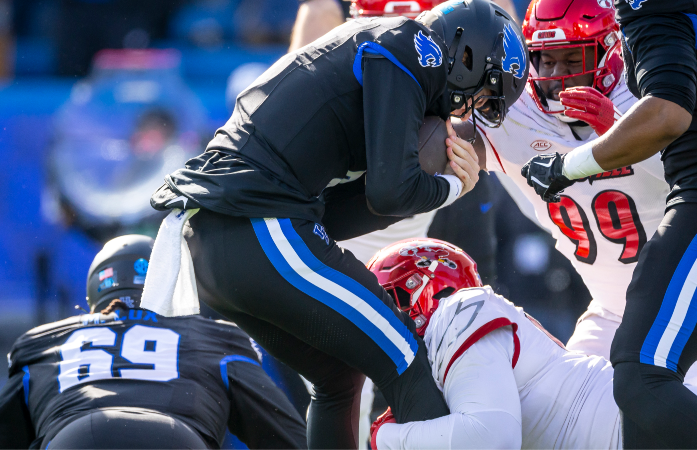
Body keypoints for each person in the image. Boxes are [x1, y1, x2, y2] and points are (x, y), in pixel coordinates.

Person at [141, 1, 529, 448]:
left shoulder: (379, 49)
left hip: (219, 235)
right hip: (255, 223)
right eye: (480, 93)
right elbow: (390, 192)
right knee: (403, 357)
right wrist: (452, 188)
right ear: (467, 56)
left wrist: (421, 182)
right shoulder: (410, 45)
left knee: (339, 378)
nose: (470, 108)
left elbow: (348, 210)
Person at [461, 0, 697, 446]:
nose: (557, 72)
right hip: (614, 304)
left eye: (573, 57)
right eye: (546, 58)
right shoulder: (513, 109)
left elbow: (692, 154)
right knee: (571, 430)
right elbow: (445, 150)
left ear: (609, 52)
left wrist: (618, 133)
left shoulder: (648, 86)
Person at [365, 238, 697, 450]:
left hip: (665, 433)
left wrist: (382, 438)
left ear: (421, 291)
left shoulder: (460, 310)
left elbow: (491, 438)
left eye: (389, 303)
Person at [0, 235, 307, 449]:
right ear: (175, 284)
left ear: (94, 290)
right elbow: (286, 437)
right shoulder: (216, 336)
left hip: (75, 437)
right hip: (175, 438)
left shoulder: (42, 342)